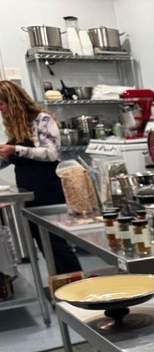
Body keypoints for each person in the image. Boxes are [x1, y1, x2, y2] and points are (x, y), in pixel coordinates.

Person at [0, 80, 81, 274]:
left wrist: (15, 149)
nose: (0, 110)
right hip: (29, 193)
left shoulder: (42, 119)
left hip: (48, 191)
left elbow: (51, 153)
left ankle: (79, 284)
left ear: (14, 101)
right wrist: (8, 152)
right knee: (44, 244)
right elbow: (12, 157)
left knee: (56, 243)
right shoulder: (17, 126)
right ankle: (62, 286)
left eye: (1, 104)